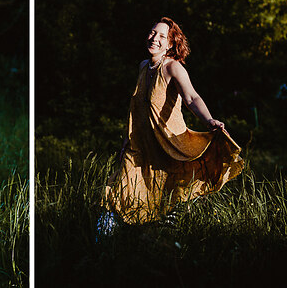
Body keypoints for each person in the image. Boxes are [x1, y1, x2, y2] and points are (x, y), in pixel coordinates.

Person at [102, 17, 244, 227]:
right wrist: (126, 141)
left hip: (169, 145)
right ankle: (102, 247)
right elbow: (137, 110)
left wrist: (209, 120)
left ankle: (161, 237)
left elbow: (192, 98)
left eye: (162, 36)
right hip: (140, 146)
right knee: (118, 191)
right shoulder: (143, 66)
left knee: (165, 200)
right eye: (152, 33)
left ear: (170, 44)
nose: (154, 38)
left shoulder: (173, 68)